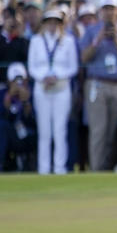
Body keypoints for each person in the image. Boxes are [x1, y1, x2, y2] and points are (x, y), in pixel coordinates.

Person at [79, 0, 117, 172]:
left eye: (112, 9)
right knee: (98, 131)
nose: (109, 12)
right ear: (100, 11)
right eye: (106, 9)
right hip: (97, 84)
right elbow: (84, 58)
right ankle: (96, 170)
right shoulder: (90, 31)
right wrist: (98, 40)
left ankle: (105, 169)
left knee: (111, 132)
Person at [28, 9, 80, 175]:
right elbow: (32, 67)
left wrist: (57, 76)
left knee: (60, 129)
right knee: (44, 131)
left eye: (56, 21)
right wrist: (44, 77)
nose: (52, 25)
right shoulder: (36, 41)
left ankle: (59, 168)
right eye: (49, 21)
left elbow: (73, 67)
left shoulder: (68, 41)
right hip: (42, 88)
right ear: (44, 23)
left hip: (61, 88)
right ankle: (44, 169)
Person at [0, 62, 37, 172]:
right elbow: (2, 118)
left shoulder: (33, 93)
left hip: (29, 135)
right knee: (0, 127)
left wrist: (26, 102)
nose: (18, 84)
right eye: (14, 81)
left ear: (26, 80)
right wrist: (9, 99)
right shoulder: (1, 94)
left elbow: (32, 120)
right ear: (8, 81)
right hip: (12, 135)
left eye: (21, 80)